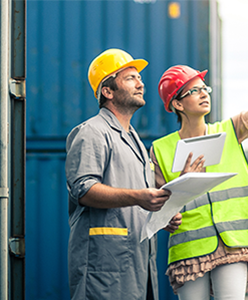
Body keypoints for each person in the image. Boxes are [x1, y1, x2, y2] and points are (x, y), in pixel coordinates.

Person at [150, 26, 248, 300]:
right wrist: (175, 201)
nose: (203, 93)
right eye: (193, 90)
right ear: (177, 104)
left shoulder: (230, 130)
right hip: (189, 249)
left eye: (204, 88)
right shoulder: (160, 150)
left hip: (233, 242)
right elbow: (157, 210)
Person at [65, 48, 182, 300]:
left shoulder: (136, 141)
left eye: (139, 78)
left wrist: (161, 217)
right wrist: (139, 197)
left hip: (138, 267)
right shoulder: (92, 132)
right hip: (105, 267)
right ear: (107, 91)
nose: (140, 83)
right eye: (130, 78)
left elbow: (136, 201)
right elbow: (83, 190)